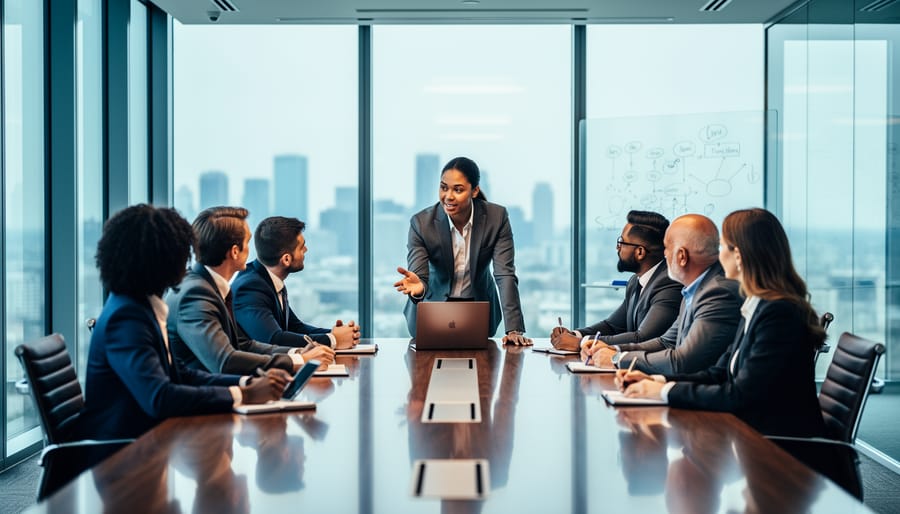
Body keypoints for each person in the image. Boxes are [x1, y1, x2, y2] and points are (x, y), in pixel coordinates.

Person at [76, 204, 290, 441]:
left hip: (152, 440)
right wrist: (242, 395)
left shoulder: (139, 306)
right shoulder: (126, 318)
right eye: (181, 253)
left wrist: (247, 382)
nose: (187, 261)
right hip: (126, 456)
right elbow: (160, 397)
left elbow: (180, 374)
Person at [617, 208, 827, 438]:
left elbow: (739, 396)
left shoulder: (778, 314)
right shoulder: (757, 306)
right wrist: (656, 381)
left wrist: (664, 391)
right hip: (753, 436)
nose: (717, 256)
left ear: (738, 256)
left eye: (722, 247)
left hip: (782, 451)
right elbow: (720, 373)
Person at [167, 206, 334, 375]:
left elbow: (244, 344)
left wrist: (297, 354)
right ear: (234, 251)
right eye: (247, 242)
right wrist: (299, 361)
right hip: (206, 395)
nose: (250, 250)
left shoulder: (211, 287)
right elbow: (225, 361)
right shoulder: (195, 295)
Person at [394, 156, 531, 345]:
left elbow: (504, 274)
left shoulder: (496, 218)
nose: (448, 196)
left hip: (478, 308)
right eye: (443, 188)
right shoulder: (421, 223)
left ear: (474, 191)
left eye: (458, 190)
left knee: (482, 369)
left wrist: (514, 329)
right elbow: (419, 276)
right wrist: (418, 289)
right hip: (433, 309)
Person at [587, 214, 742, 375]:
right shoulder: (694, 288)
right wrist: (612, 349)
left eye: (667, 248)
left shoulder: (717, 293)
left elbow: (683, 362)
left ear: (682, 257)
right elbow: (666, 342)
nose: (664, 255)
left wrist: (618, 359)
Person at [551, 210, 681, 352]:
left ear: (640, 252)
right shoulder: (635, 282)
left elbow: (643, 338)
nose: (617, 248)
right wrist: (575, 334)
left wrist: (581, 343)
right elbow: (612, 326)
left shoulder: (669, 283)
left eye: (621, 242)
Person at [232, 216, 360, 350]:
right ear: (286, 259)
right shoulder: (250, 288)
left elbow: (295, 327)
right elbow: (273, 339)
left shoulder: (269, 280)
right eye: (301, 247)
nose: (306, 250)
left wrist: (337, 334)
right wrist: (333, 340)